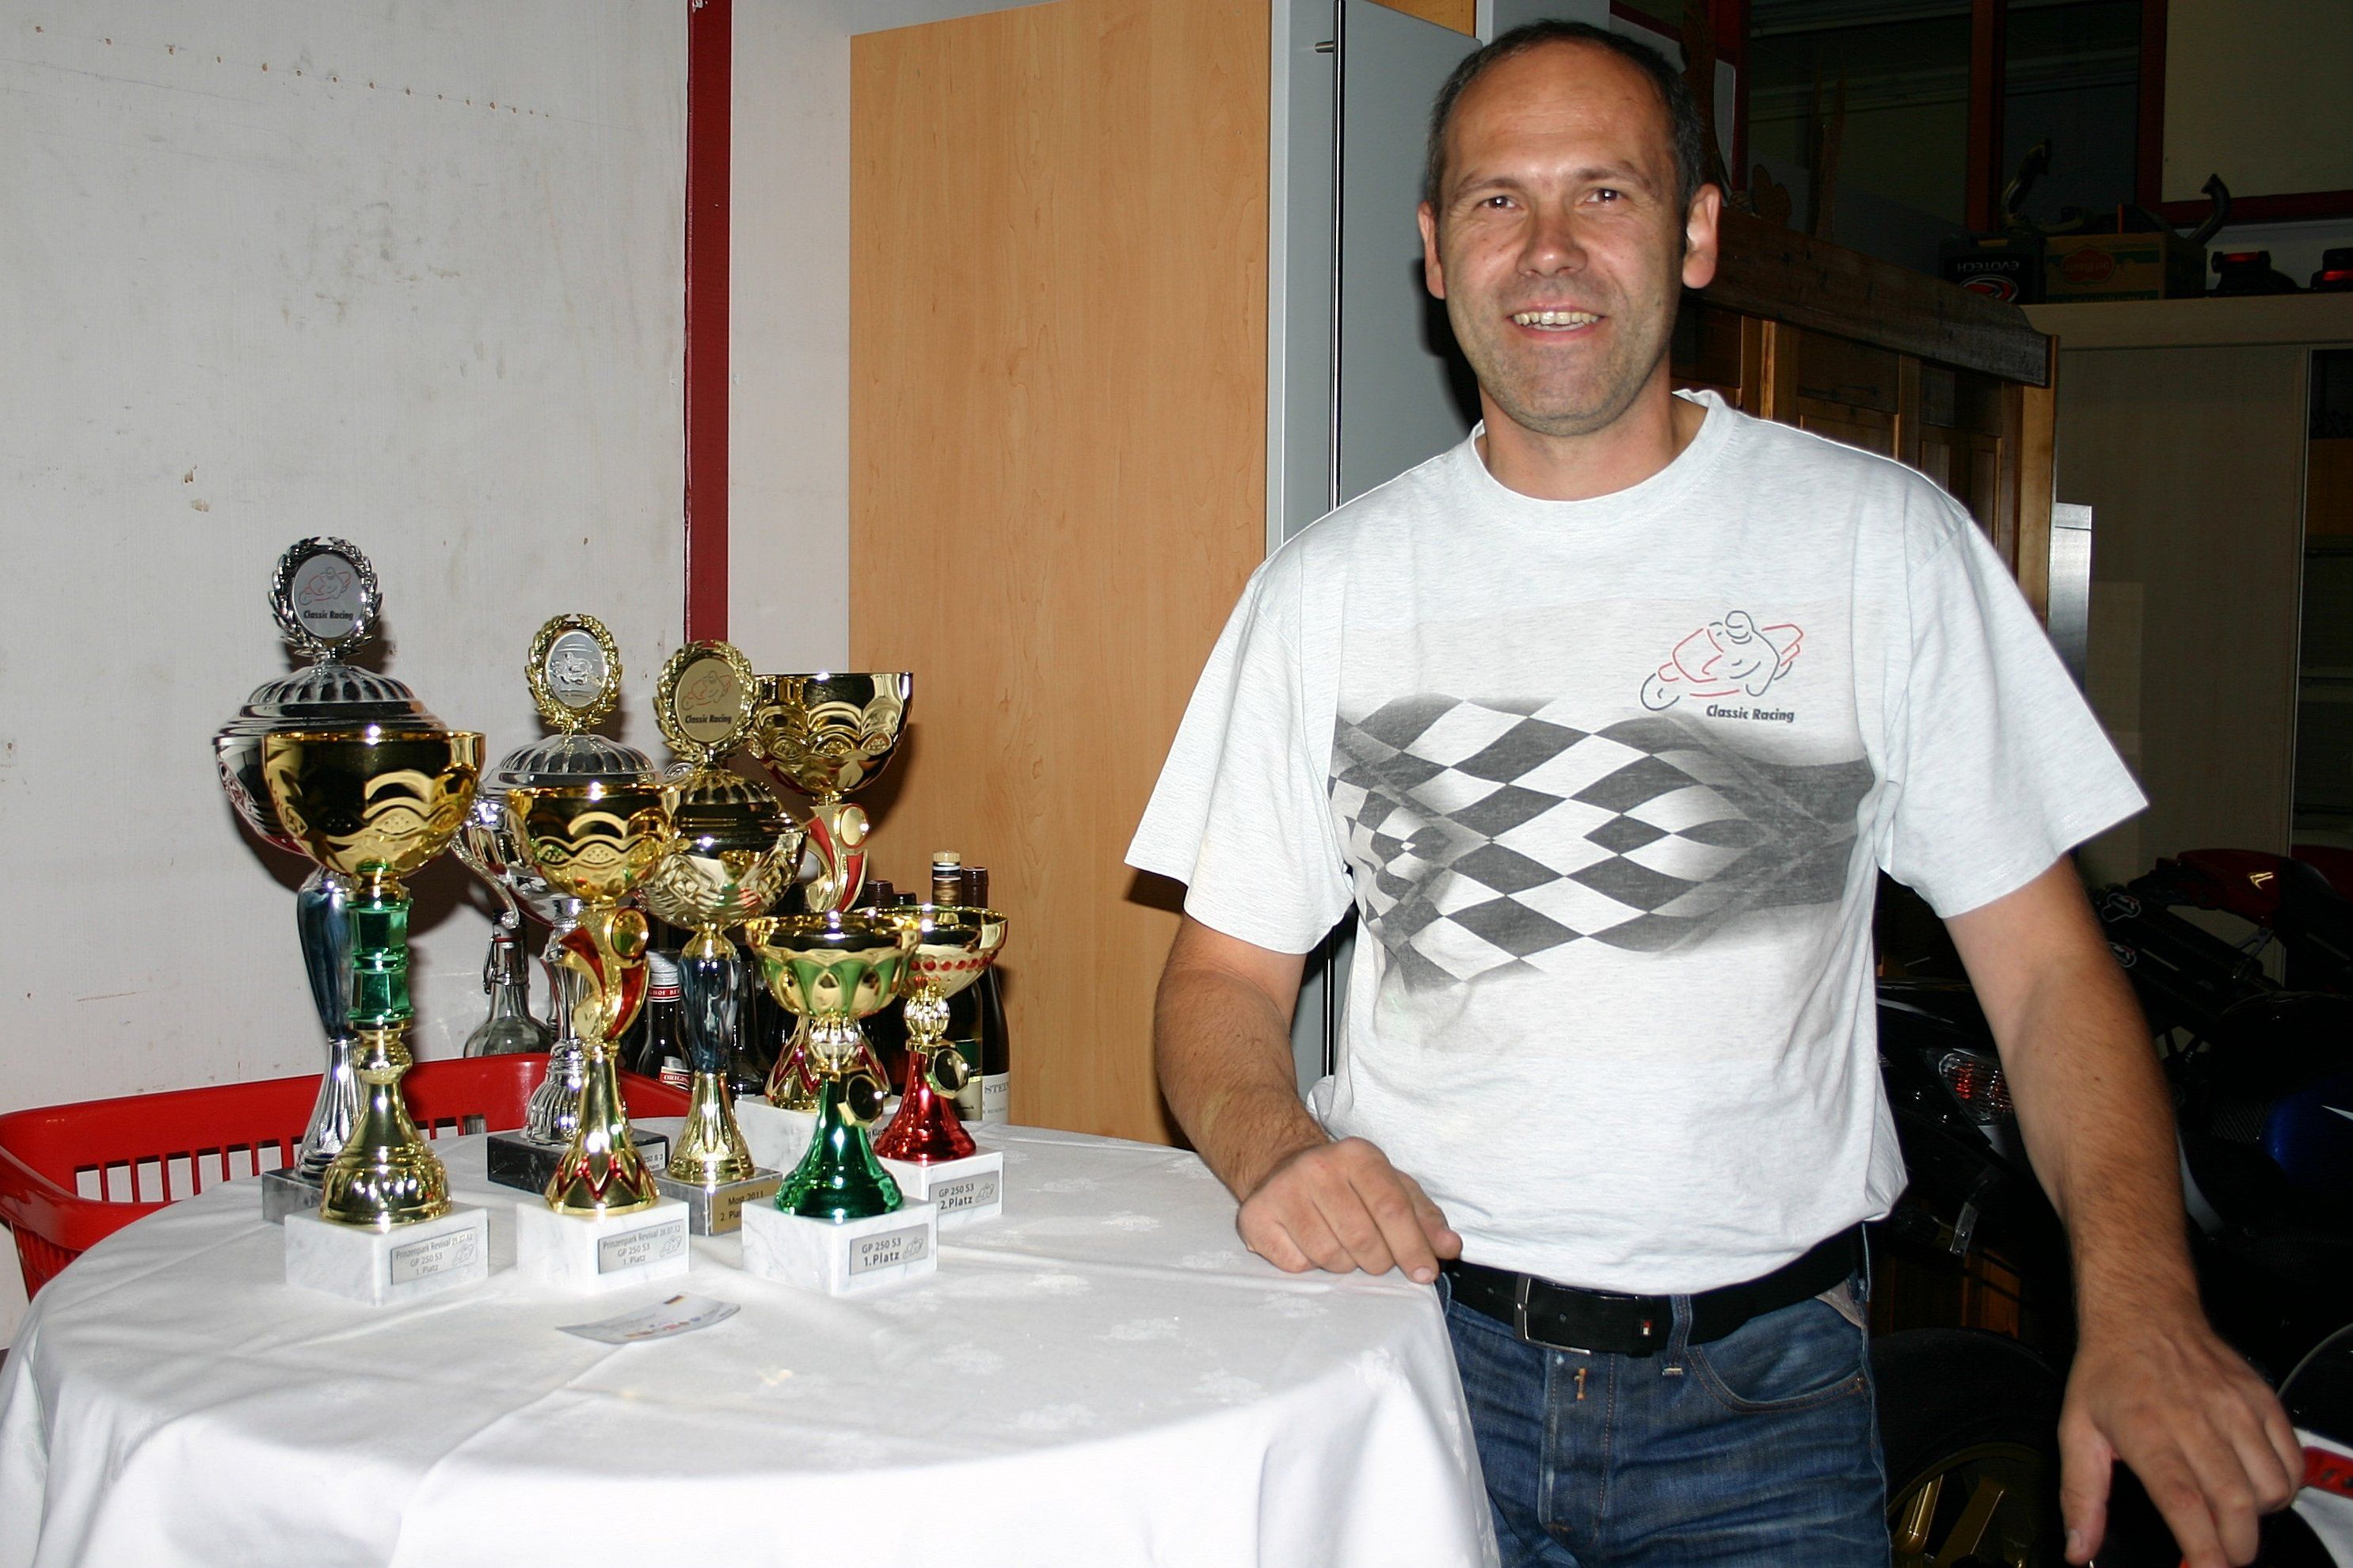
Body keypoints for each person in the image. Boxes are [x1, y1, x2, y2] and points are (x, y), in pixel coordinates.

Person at [1125, 19, 2301, 1568]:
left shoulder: (1880, 545)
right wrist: (1275, 1147)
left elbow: (2047, 976)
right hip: (1408, 1358)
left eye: (1603, 193)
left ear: (1693, 235)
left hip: (1766, 1405)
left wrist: (2141, 1305)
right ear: (1433, 249)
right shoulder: (1326, 591)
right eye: (1496, 199)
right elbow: (1219, 980)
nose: (1547, 248)